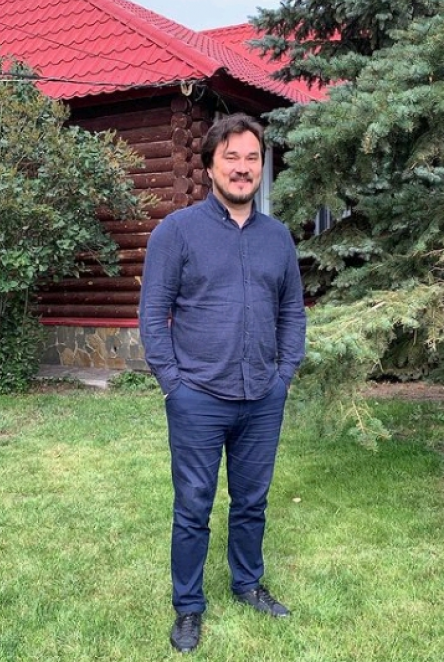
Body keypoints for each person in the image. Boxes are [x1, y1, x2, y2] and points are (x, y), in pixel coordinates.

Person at [139, 113, 307, 653]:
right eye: (231, 157)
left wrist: (284, 375)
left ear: (261, 167)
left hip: (262, 396)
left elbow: (292, 312)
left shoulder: (277, 238)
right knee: (193, 505)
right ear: (210, 166)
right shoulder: (177, 232)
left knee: (252, 501)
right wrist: (174, 385)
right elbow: (153, 315)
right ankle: (188, 607)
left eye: (251, 158)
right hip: (198, 398)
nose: (242, 167)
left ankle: (247, 583)